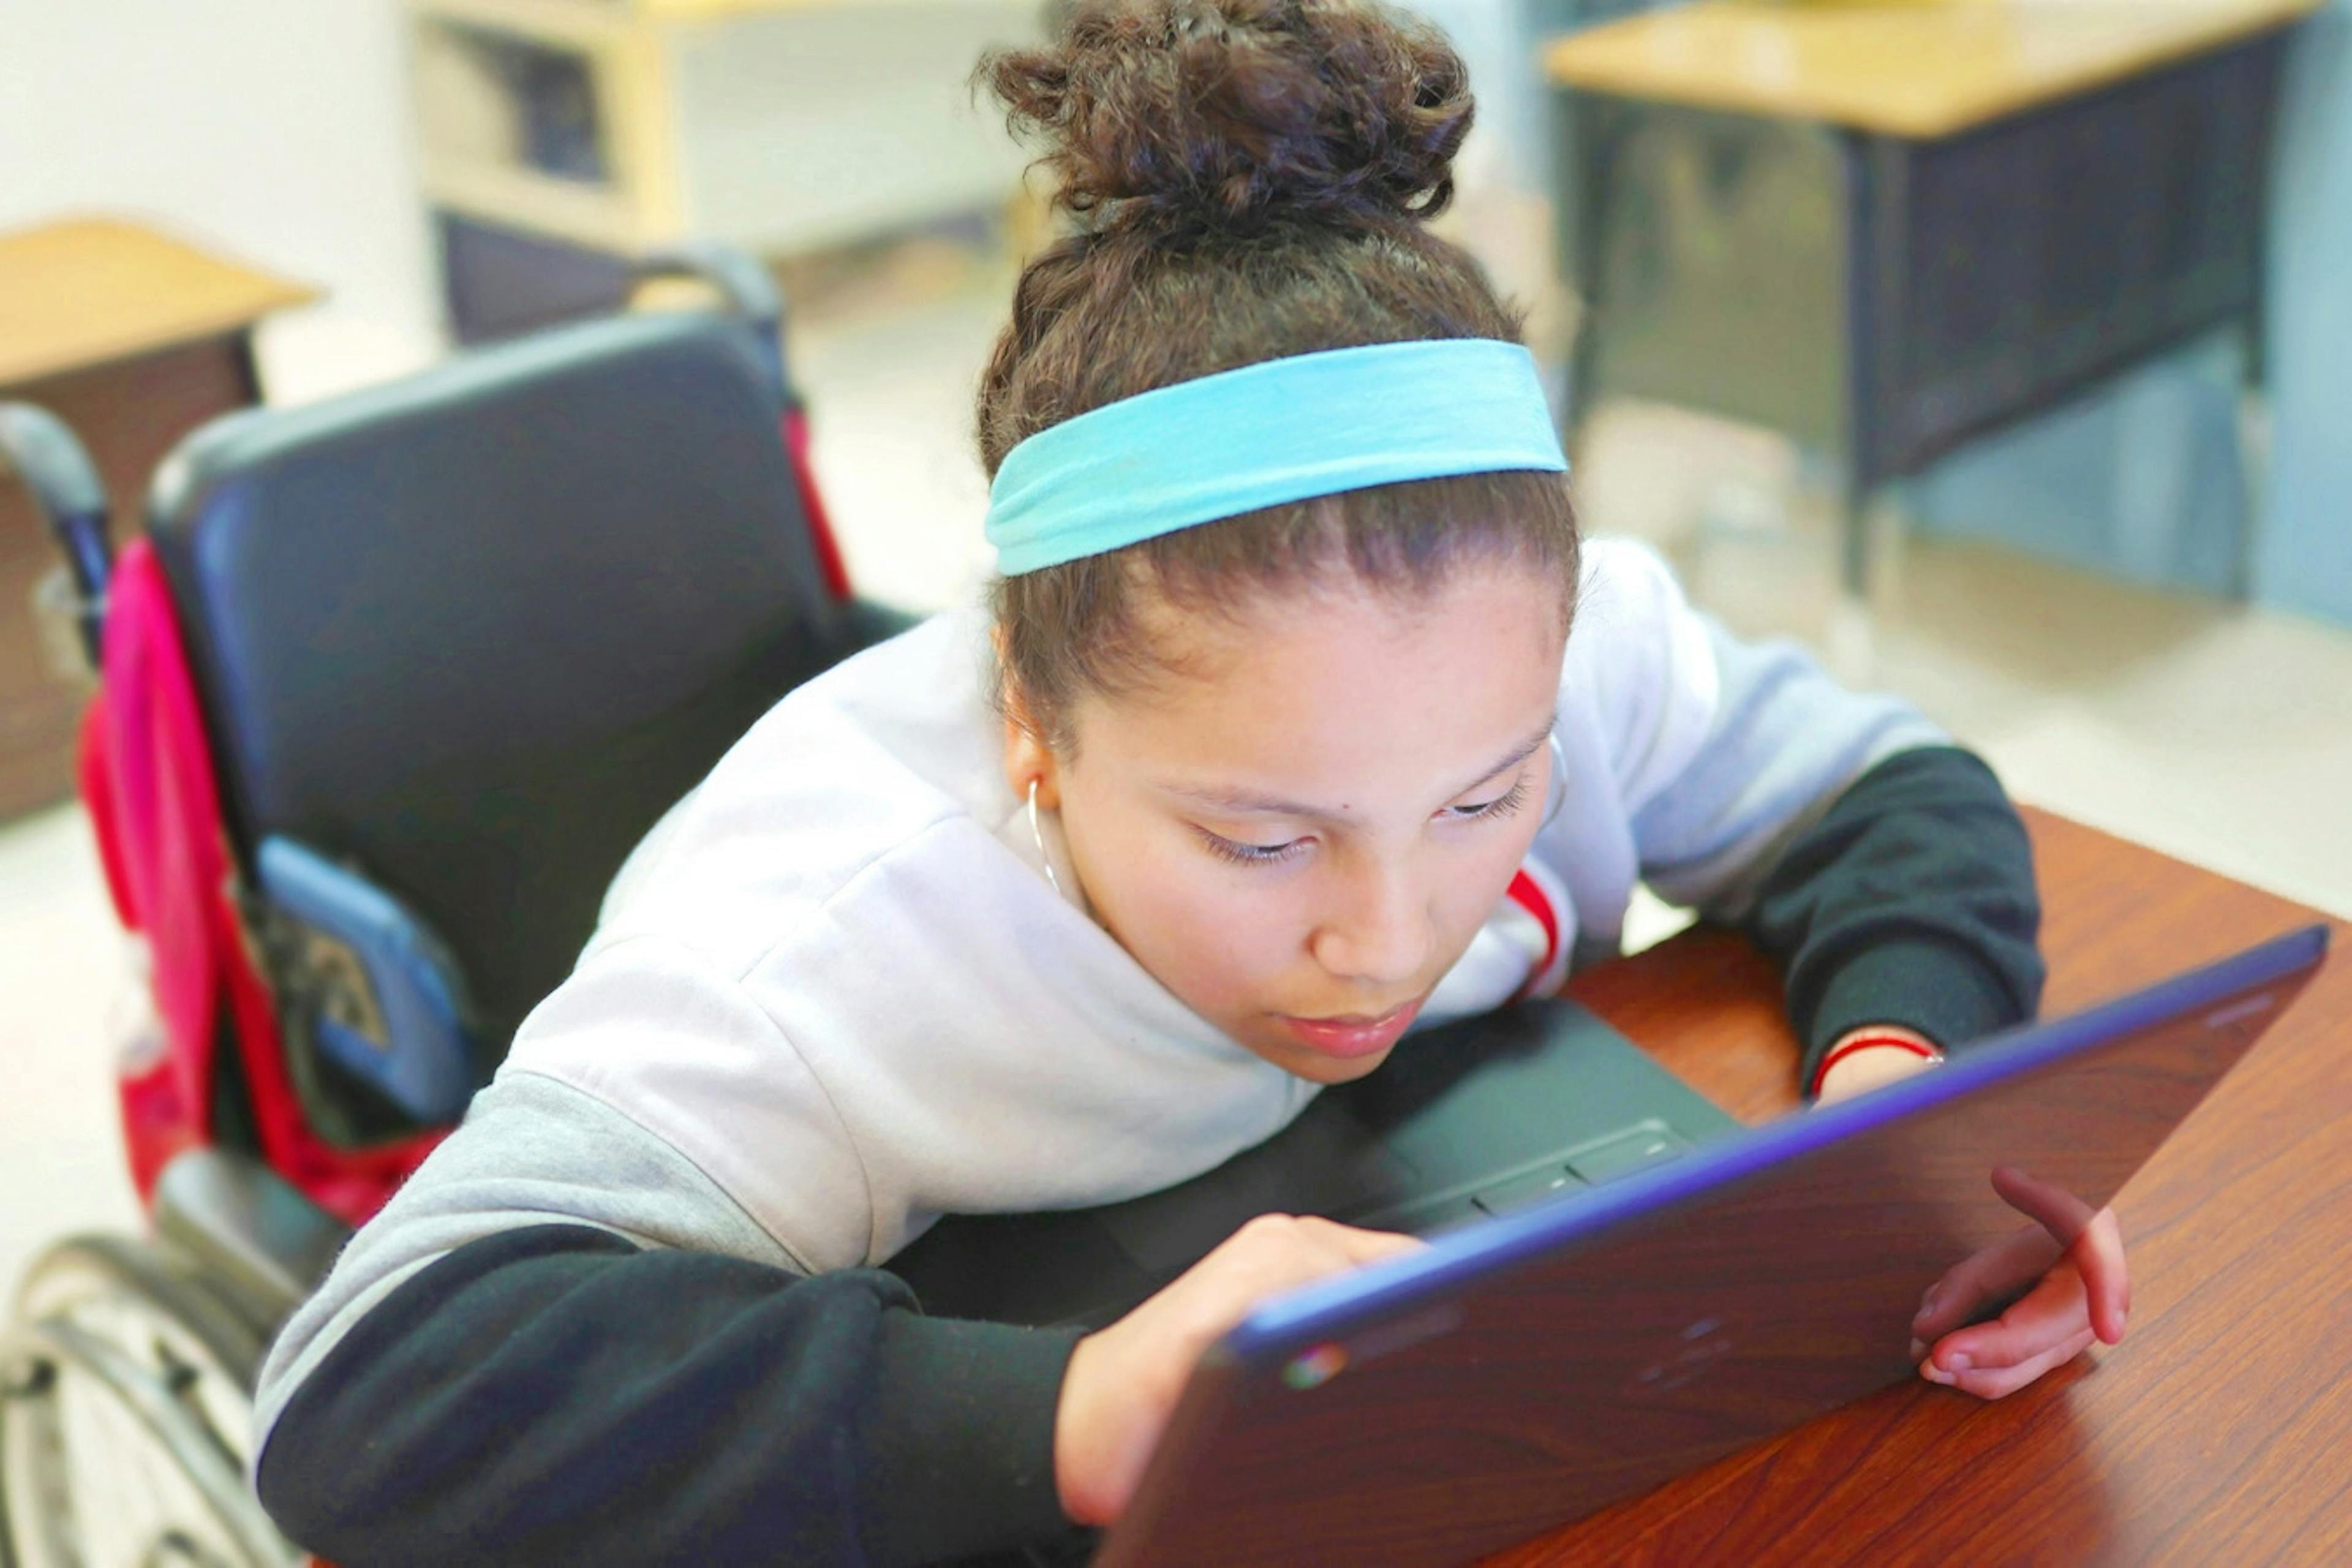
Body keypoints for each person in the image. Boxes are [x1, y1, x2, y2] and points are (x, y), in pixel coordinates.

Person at [250, 2, 2121, 1562]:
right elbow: (368, 1396)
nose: (1382, 937)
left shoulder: (1573, 648)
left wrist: (1901, 1127)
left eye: (1488, 805)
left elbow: (1890, 790)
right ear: (1029, 736)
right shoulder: (826, 939)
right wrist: (1061, 1412)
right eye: (1261, 836)